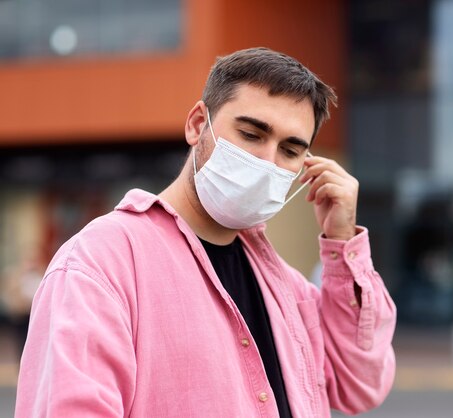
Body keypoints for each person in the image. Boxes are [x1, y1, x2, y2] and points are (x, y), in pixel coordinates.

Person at [15, 47, 396, 417]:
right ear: (198, 124)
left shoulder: (286, 287)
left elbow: (360, 386)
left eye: (290, 150)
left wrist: (343, 242)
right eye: (251, 134)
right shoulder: (100, 264)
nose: (268, 160)